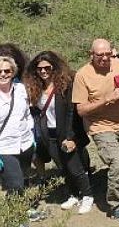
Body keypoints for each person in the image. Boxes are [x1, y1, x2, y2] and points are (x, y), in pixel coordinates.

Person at [72, 39, 119, 222]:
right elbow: (81, 110)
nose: (105, 58)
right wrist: (107, 98)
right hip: (100, 127)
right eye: (100, 55)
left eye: (107, 54)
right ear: (91, 54)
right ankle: (116, 204)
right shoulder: (82, 75)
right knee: (117, 164)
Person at [24, 52, 94, 214]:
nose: (43, 71)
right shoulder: (37, 88)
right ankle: (73, 194)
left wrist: (71, 137)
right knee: (62, 166)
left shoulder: (65, 86)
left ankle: (88, 195)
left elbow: (71, 112)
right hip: (49, 133)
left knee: (75, 166)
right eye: (39, 68)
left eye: (47, 67)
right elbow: (36, 112)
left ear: (54, 67)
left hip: (66, 131)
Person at [0, 56, 46, 222]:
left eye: (7, 71)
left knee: (24, 180)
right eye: (0, 71)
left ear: (13, 72)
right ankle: (16, 217)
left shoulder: (20, 88)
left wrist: (31, 134)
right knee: (15, 183)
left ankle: (24, 209)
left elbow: (27, 114)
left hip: (25, 143)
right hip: (4, 148)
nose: (3, 74)